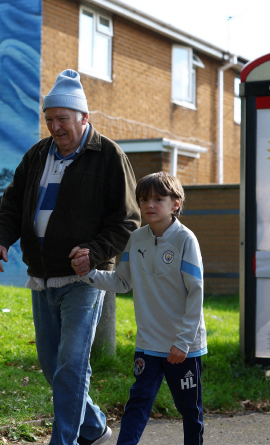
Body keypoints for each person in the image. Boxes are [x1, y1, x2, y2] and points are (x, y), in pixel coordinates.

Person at [0, 69, 141, 445]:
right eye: (49, 119)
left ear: (84, 118)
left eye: (63, 119)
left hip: (85, 281)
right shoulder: (38, 154)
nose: (55, 127)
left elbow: (129, 219)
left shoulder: (108, 156)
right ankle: (95, 429)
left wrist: (95, 252)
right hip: (42, 275)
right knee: (52, 366)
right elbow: (11, 202)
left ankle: (64, 441)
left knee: (72, 364)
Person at [73, 172, 207, 445]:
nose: (150, 205)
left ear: (176, 203)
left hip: (183, 348)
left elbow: (196, 293)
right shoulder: (136, 239)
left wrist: (183, 342)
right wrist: (88, 274)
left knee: (190, 410)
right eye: (144, 199)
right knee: (138, 404)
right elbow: (122, 281)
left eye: (159, 198)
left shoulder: (185, 240)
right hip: (148, 345)